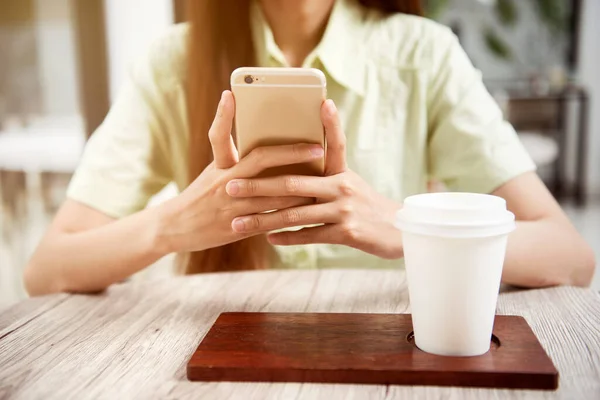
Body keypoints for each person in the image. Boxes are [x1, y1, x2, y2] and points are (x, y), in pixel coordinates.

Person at [24, 0, 595, 295]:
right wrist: (175, 224)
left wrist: (405, 227)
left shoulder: (424, 55)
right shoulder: (174, 62)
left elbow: (569, 256)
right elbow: (48, 270)